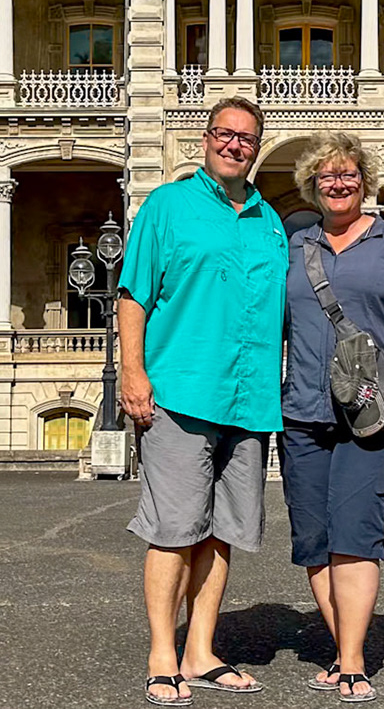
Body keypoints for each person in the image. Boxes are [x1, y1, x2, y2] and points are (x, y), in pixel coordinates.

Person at [118, 95, 287, 705]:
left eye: (245, 137)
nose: (234, 144)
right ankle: (163, 651)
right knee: (173, 529)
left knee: (222, 534)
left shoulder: (271, 223)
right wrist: (131, 373)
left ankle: (201, 650)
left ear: (257, 146)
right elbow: (133, 296)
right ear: (206, 138)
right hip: (181, 393)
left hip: (249, 401)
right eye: (224, 133)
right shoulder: (166, 207)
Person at [279, 132, 384, 702]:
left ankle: (350, 661)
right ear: (312, 186)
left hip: (374, 411)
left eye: (347, 174)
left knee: (356, 532)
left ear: (364, 182)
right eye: (327, 176)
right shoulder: (295, 246)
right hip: (301, 410)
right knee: (314, 538)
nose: (338, 183)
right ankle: (345, 645)